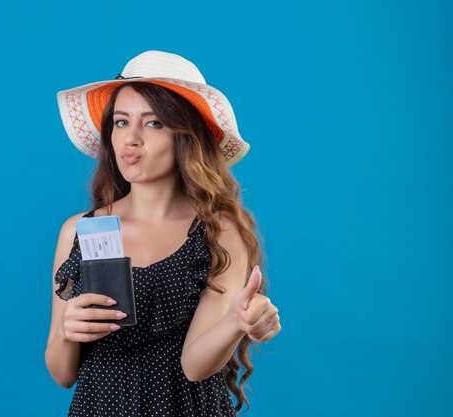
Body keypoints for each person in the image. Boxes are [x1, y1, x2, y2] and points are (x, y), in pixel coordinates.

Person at [45, 50, 281, 416]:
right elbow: (62, 374)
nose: (131, 139)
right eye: (121, 122)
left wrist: (236, 322)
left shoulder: (219, 232)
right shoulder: (79, 231)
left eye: (153, 123)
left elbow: (194, 365)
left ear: (186, 136)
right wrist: (65, 330)